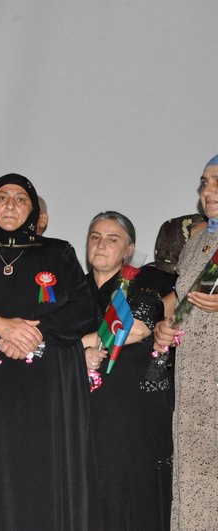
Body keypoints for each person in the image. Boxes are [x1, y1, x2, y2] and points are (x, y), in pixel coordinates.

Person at [0, 173, 97, 530]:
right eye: (2, 197)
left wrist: (35, 333)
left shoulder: (57, 252)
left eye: (21, 199)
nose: (10, 205)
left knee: (39, 473)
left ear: (33, 210)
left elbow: (85, 308)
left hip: (45, 389)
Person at [81, 211, 173, 530]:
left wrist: (74, 346)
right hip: (84, 409)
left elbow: (137, 327)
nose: (101, 244)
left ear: (129, 250)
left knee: (129, 495)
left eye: (112, 239)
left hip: (130, 411)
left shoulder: (142, 282)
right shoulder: (72, 288)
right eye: (95, 237)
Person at [153, 155, 218, 529]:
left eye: (217, 181)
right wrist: (165, 326)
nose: (207, 190)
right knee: (194, 485)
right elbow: (183, 301)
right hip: (193, 384)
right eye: (204, 182)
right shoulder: (196, 243)